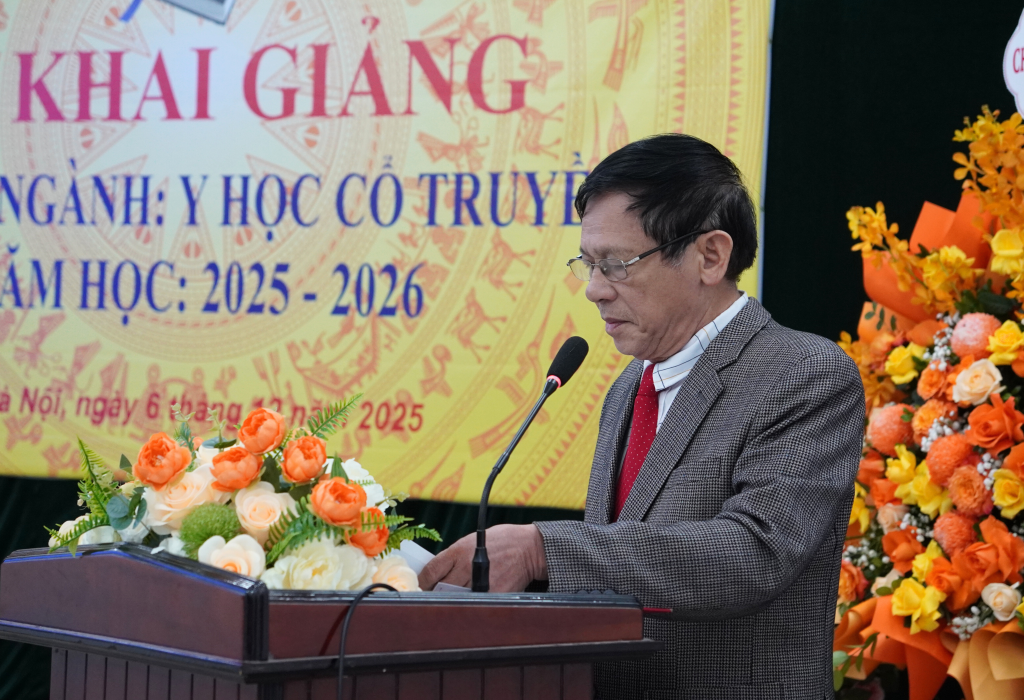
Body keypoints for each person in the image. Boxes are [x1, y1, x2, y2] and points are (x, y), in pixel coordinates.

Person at [419, 133, 864, 699]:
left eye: (616, 265)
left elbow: (753, 554)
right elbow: (620, 571)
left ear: (710, 256)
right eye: (588, 264)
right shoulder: (629, 386)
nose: (594, 291)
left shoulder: (804, 373)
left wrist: (543, 550)